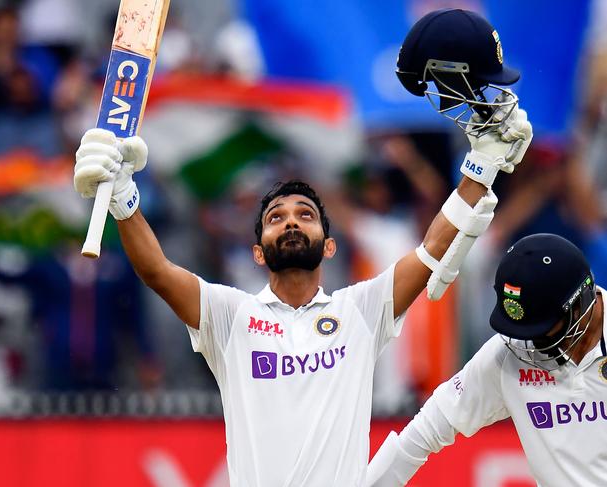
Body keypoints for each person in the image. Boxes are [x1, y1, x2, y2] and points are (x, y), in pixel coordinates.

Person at [73, 8, 532, 487]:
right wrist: (124, 196)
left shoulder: (360, 310)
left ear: (329, 246)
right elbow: (158, 272)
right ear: (257, 251)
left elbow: (434, 249)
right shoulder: (232, 317)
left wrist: (482, 165)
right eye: (276, 218)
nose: (291, 221)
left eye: (305, 215)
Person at [366, 233, 607, 487]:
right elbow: (423, 433)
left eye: (541, 330)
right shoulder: (509, 353)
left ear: (580, 305)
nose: (530, 344)